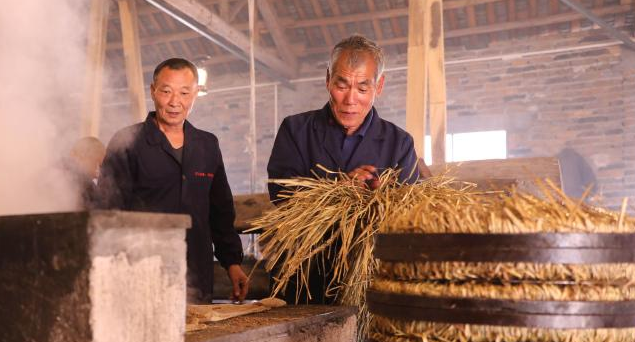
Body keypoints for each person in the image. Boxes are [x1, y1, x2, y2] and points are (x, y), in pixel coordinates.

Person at [266, 34, 419, 305]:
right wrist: (339, 189)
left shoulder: (399, 143)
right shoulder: (296, 130)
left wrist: (378, 198)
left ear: (379, 86)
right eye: (342, 85)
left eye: (362, 87)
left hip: (369, 280)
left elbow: (410, 213)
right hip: (304, 274)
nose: (350, 99)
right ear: (328, 80)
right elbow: (282, 193)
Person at [99, 58, 248, 303]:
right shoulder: (127, 142)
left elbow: (220, 211)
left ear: (196, 94)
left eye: (184, 92)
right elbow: (106, 209)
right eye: (166, 91)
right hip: (141, 272)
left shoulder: (207, 145)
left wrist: (232, 262)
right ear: (153, 91)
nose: (174, 102)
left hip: (196, 276)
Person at [63, 136, 107, 209]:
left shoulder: (52, 173)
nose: (98, 171)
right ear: (83, 156)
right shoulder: (85, 183)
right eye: (97, 163)